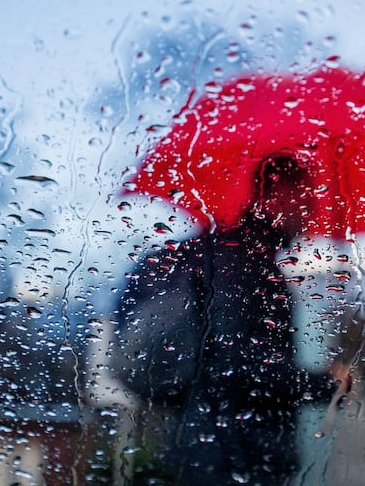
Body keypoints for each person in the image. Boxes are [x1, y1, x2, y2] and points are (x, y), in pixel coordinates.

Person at [115, 155, 348, 485]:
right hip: (232, 455)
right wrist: (324, 384)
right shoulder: (242, 263)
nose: (311, 211)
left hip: (214, 448)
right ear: (275, 196)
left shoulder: (238, 257)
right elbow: (234, 363)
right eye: (305, 197)